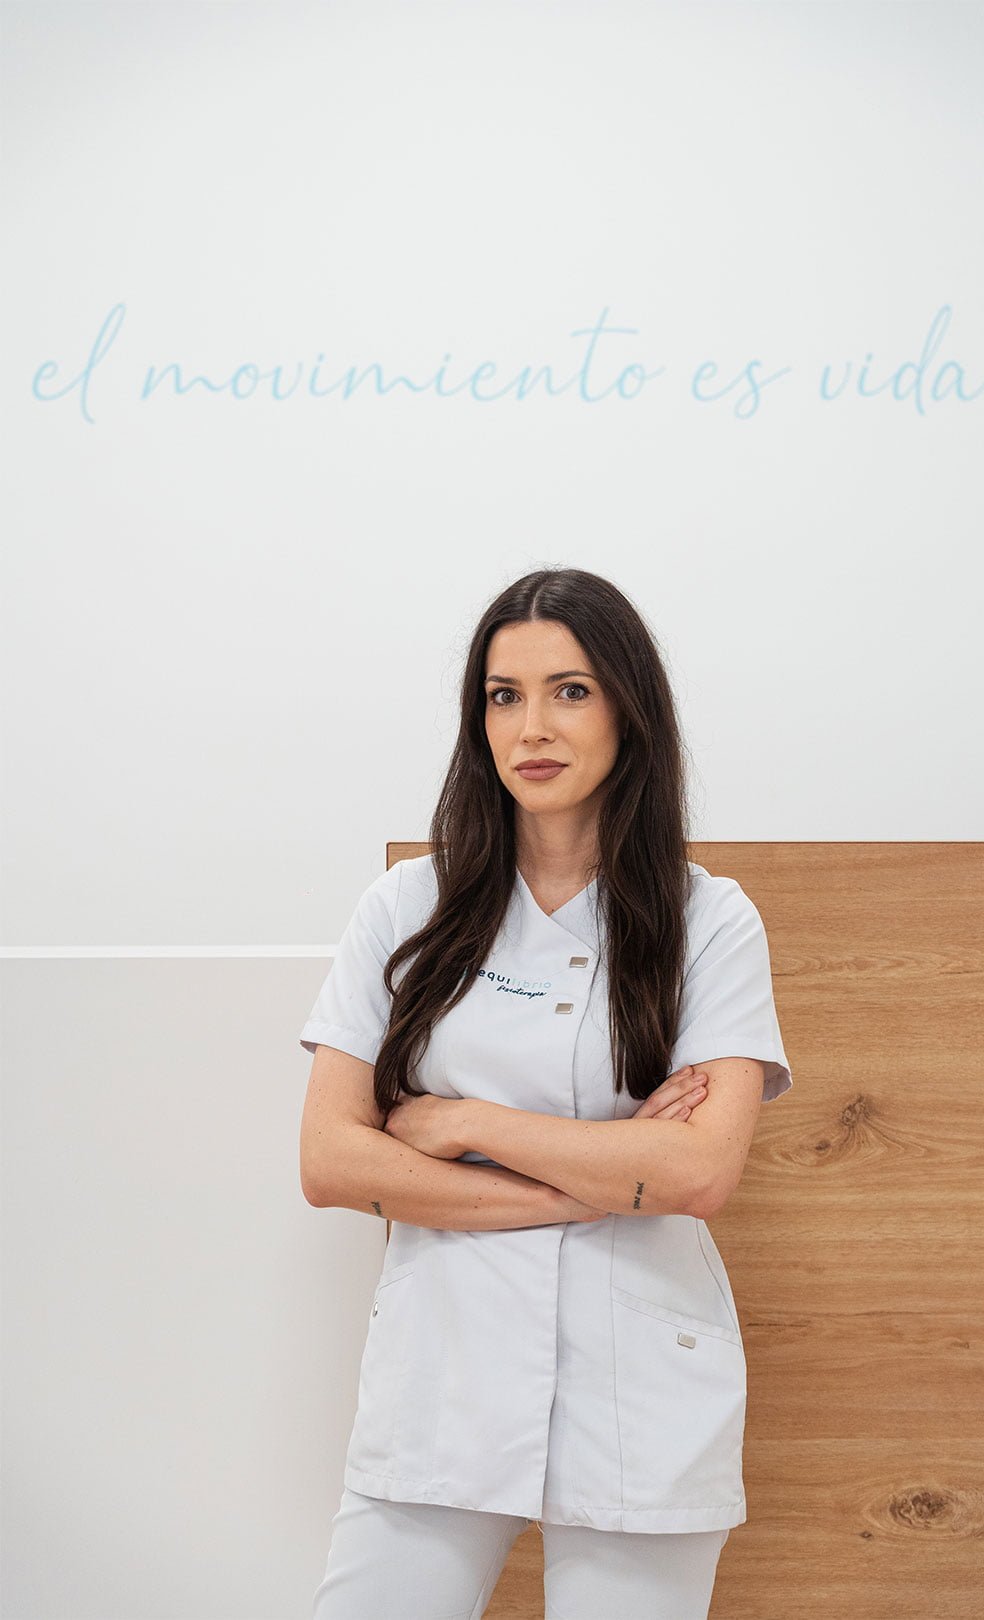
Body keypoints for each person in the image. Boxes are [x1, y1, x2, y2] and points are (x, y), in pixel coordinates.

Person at [299, 567, 794, 1619]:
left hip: (640, 1385)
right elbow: (332, 1160)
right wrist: (607, 1173)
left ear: (628, 707)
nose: (533, 725)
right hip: (446, 1370)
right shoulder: (406, 907)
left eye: (570, 690)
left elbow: (700, 1172)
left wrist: (460, 1125)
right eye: (502, 694)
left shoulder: (711, 921)